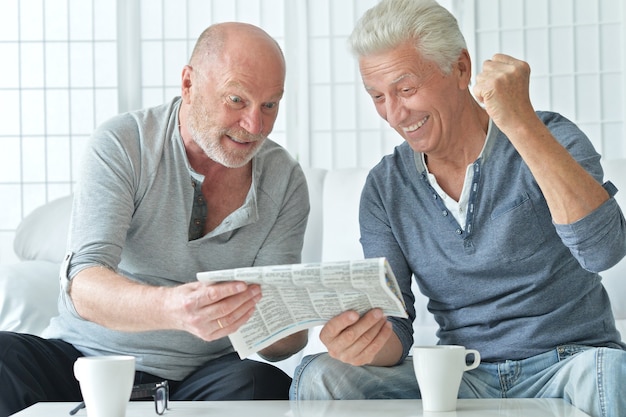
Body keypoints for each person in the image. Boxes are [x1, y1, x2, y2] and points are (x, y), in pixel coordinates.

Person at [290, 1, 626, 416]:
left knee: (613, 372)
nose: (394, 114)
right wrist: (365, 343)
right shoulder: (385, 188)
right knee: (321, 375)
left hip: (569, 363)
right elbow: (397, 326)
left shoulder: (551, 136)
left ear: (461, 69)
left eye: (407, 89)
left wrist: (519, 122)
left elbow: (603, 251)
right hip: (461, 374)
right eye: (378, 96)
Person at [0, 22, 309, 416]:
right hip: (87, 362)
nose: (256, 126)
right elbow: (84, 283)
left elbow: (278, 342)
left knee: (262, 384)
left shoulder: (284, 178)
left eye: (270, 104)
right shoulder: (124, 143)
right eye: (236, 100)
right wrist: (173, 307)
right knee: (4, 356)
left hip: (202, 376)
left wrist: (297, 325)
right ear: (188, 84)